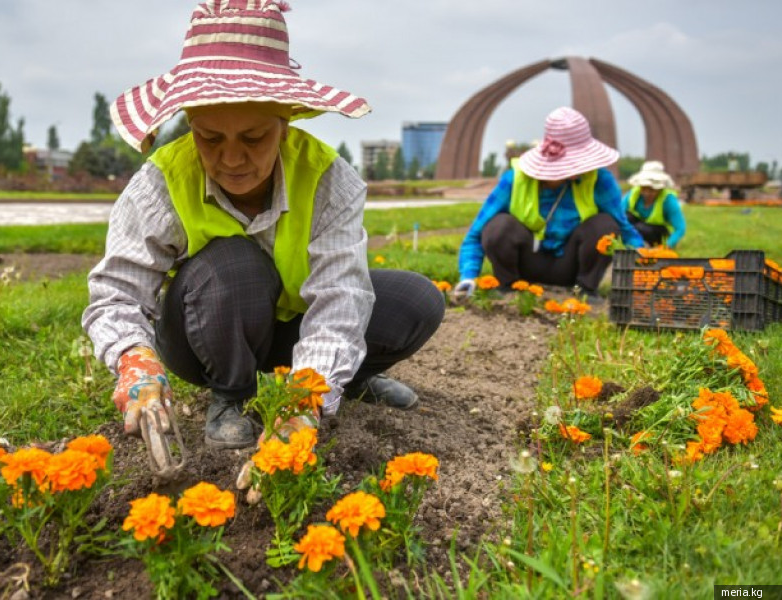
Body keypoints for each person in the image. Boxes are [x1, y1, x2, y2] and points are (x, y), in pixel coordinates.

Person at [82, 0, 445, 459]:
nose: (232, 160)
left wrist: (305, 397)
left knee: (417, 301)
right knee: (236, 264)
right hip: (207, 331)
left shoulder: (328, 178)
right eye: (210, 138)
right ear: (189, 125)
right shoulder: (161, 181)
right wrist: (135, 361)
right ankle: (231, 395)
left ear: (285, 121)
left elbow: (339, 297)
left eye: (254, 138)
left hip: (289, 330)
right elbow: (117, 290)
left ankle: (342, 379)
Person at [454, 107, 644, 300]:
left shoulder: (599, 180)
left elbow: (623, 228)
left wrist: (648, 262)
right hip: (528, 262)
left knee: (605, 225)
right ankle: (509, 288)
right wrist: (468, 277)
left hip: (571, 265)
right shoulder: (515, 180)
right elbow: (476, 234)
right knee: (498, 226)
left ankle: (586, 290)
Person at [622, 160, 687, 248]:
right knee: (626, 218)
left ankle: (649, 247)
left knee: (641, 228)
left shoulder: (668, 200)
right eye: (644, 188)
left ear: (660, 188)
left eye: (652, 190)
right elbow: (618, 213)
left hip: (656, 232)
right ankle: (634, 245)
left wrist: (668, 245)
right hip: (637, 228)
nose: (647, 193)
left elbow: (680, 228)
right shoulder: (633, 194)